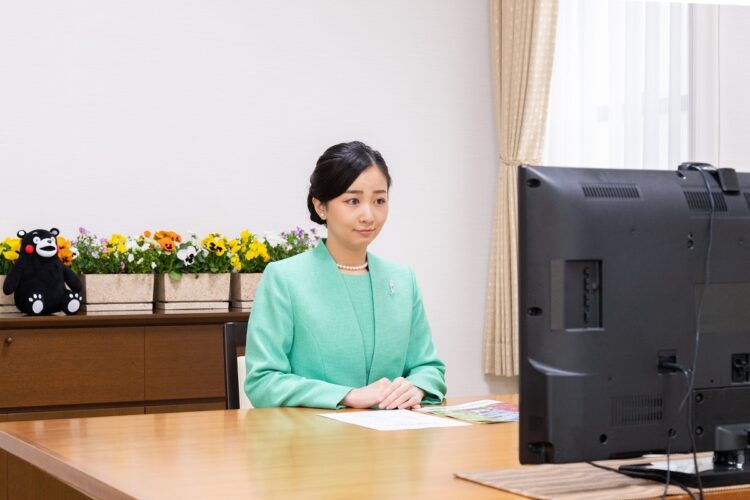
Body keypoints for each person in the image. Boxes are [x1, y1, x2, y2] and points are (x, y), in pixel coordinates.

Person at [244, 141, 446, 409]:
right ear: (321, 206)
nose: (368, 215)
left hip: (395, 441)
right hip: (313, 442)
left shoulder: (402, 279)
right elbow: (262, 381)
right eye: (352, 201)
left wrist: (417, 387)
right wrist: (347, 395)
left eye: (379, 200)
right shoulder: (284, 278)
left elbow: (428, 367)